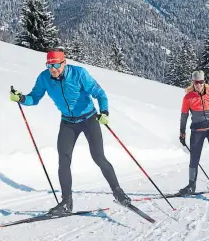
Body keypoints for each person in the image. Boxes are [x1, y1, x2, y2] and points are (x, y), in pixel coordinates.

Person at [10, 49, 131, 215]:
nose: (53, 69)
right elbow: (34, 98)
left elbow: (100, 94)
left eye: (57, 65)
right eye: (50, 65)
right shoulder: (44, 78)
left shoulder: (79, 73)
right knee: (64, 160)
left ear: (64, 63)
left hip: (89, 119)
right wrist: (22, 98)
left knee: (98, 157)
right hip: (68, 122)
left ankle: (119, 193)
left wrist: (104, 112)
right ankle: (66, 203)